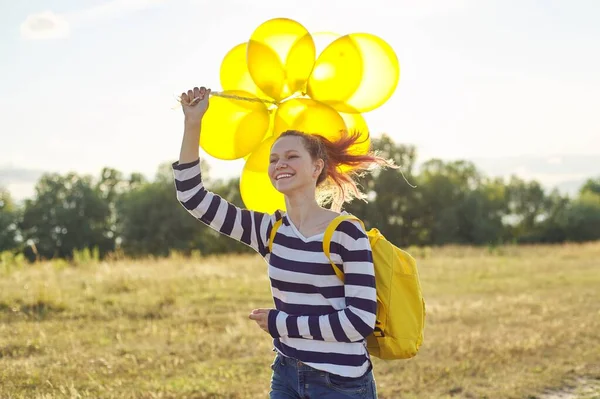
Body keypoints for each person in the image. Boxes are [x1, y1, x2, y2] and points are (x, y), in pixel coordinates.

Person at [173, 86, 397, 399]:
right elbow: (192, 197)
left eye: (292, 156)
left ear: (316, 167)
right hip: (287, 374)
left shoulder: (347, 233)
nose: (280, 164)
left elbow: (358, 322)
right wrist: (193, 122)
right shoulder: (270, 230)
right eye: (274, 158)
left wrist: (282, 323)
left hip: (342, 384)